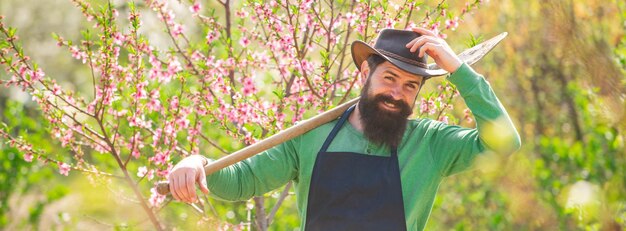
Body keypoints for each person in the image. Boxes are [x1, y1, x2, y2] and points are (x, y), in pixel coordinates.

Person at [167, 27, 521, 231]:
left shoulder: (429, 143)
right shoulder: (311, 136)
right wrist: (196, 163)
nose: (397, 93)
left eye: (410, 85)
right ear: (365, 75)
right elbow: (240, 182)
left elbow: (504, 143)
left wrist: (458, 70)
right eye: (390, 78)